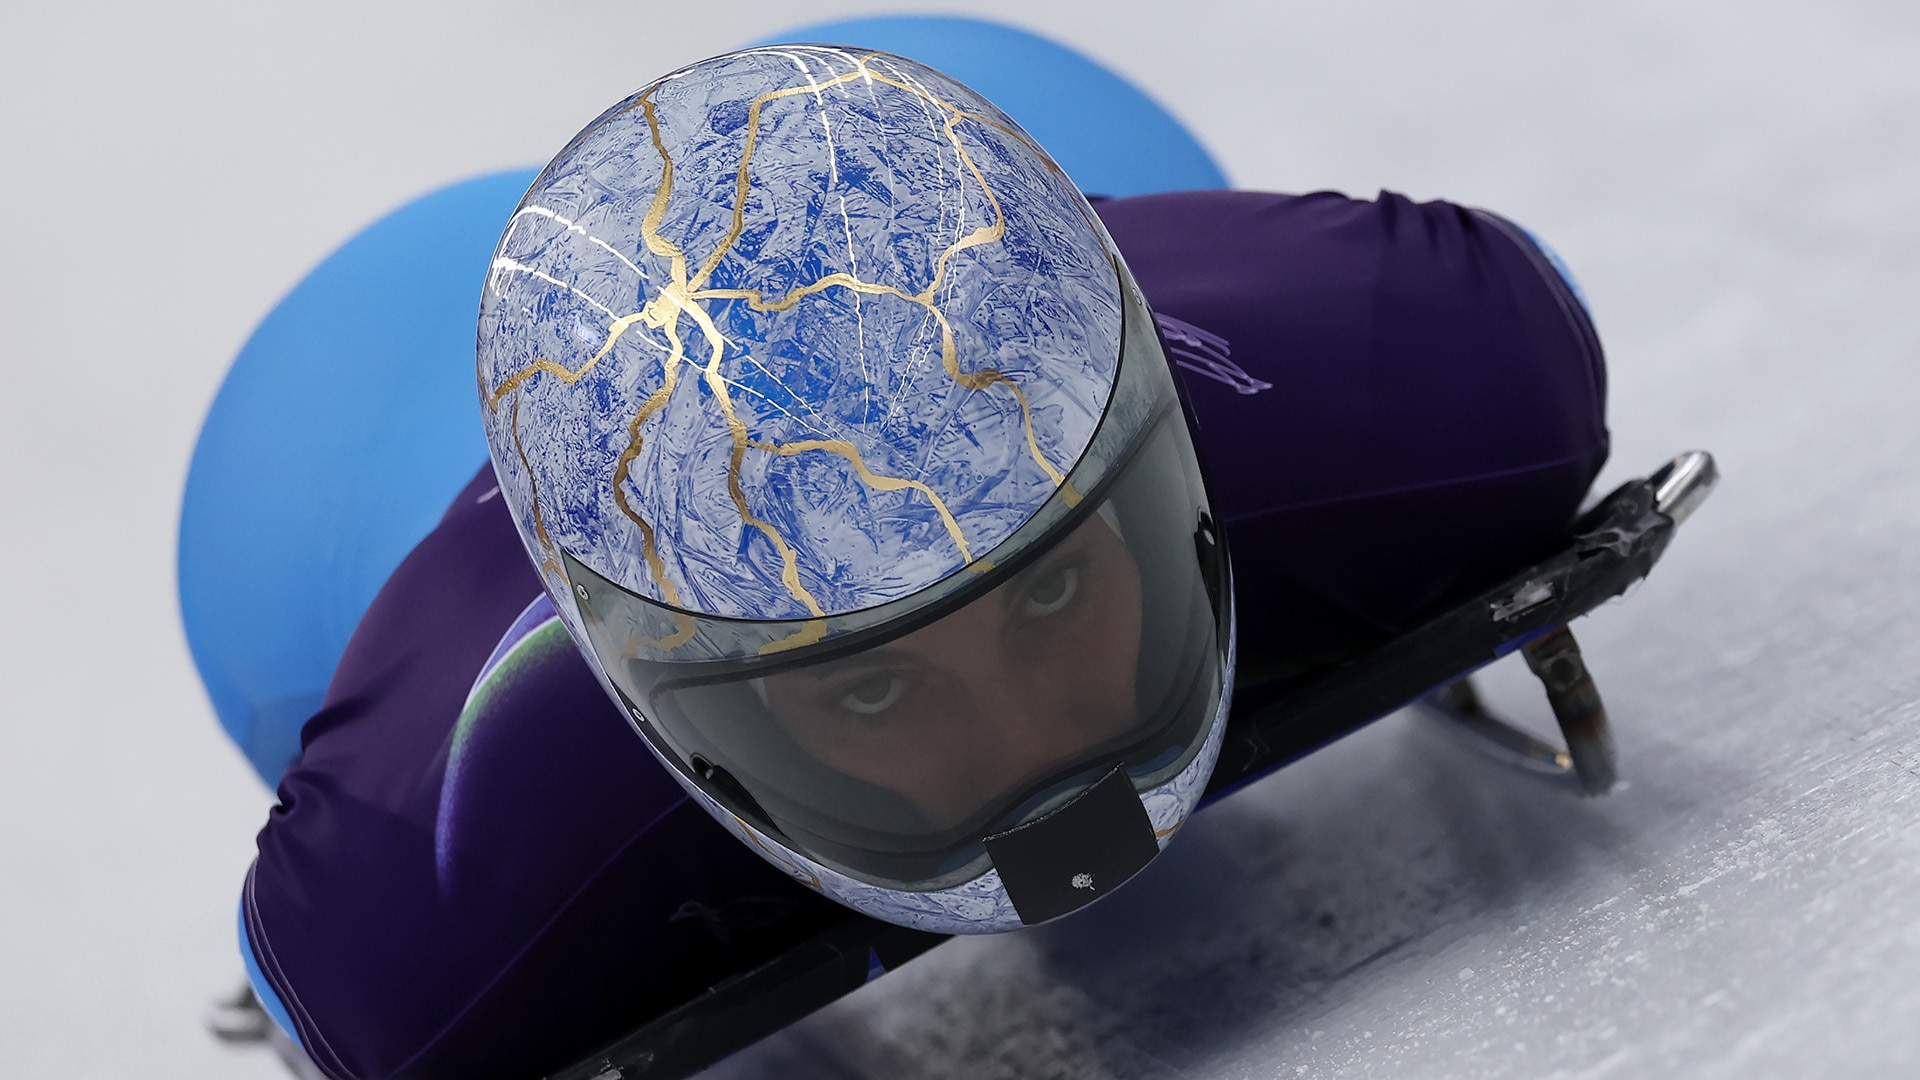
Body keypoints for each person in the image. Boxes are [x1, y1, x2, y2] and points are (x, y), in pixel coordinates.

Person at [212, 40, 1604, 1080]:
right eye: (872, 690)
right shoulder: (436, 891)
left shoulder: (1451, 370)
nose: (1035, 746)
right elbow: (327, 986)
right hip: (347, 417)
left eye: (1052, 588)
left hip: (975, 137)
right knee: (263, 592)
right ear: (664, 701)